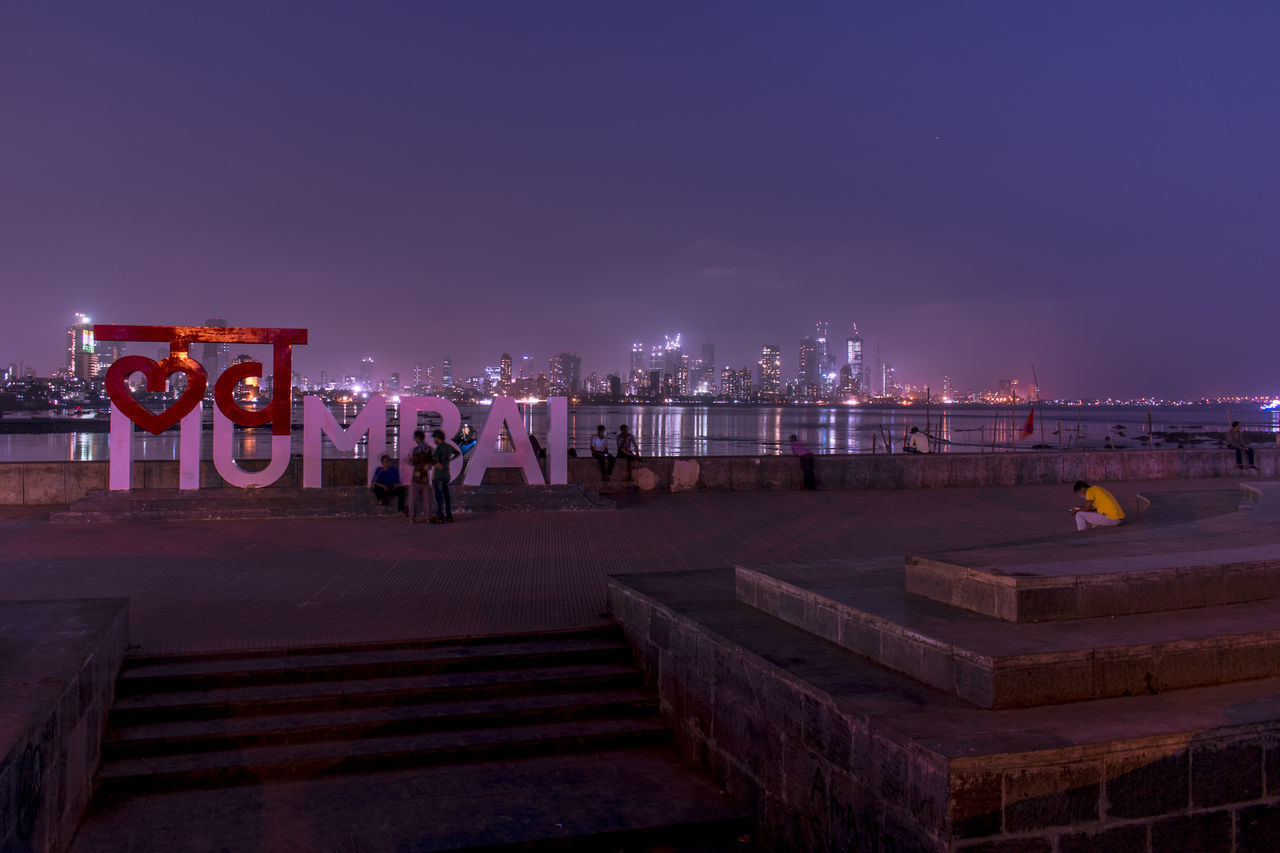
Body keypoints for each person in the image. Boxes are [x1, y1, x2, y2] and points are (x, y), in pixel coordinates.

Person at [430, 429, 459, 523]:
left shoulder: (439, 448)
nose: (434, 440)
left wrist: (438, 465)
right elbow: (458, 453)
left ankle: (440, 517)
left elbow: (435, 460)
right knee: (446, 496)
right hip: (446, 475)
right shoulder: (449, 447)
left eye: (435, 438)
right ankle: (449, 515)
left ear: (438, 438)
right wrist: (450, 461)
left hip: (438, 476)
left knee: (439, 498)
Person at [407, 429, 435, 524]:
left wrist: (409, 460)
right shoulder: (430, 449)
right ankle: (428, 517)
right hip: (425, 477)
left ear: (417, 438)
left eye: (415, 438)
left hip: (416, 477)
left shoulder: (416, 450)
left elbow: (413, 462)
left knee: (412, 499)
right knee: (427, 500)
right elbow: (431, 463)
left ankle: (411, 518)